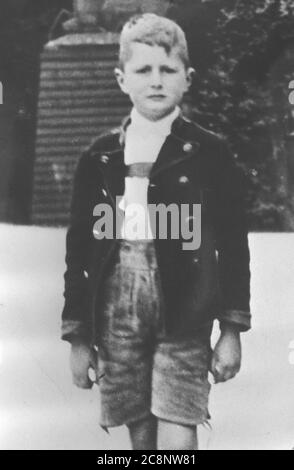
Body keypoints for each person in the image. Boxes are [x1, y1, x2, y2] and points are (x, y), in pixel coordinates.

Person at [61, 13, 251, 450]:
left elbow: (233, 247)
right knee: (139, 431)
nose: (156, 81)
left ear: (187, 77)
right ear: (121, 78)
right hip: (116, 316)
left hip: (185, 310)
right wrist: (78, 337)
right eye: (143, 70)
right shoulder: (101, 156)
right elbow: (80, 253)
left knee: (179, 424)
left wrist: (231, 329)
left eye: (168, 70)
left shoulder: (209, 152)